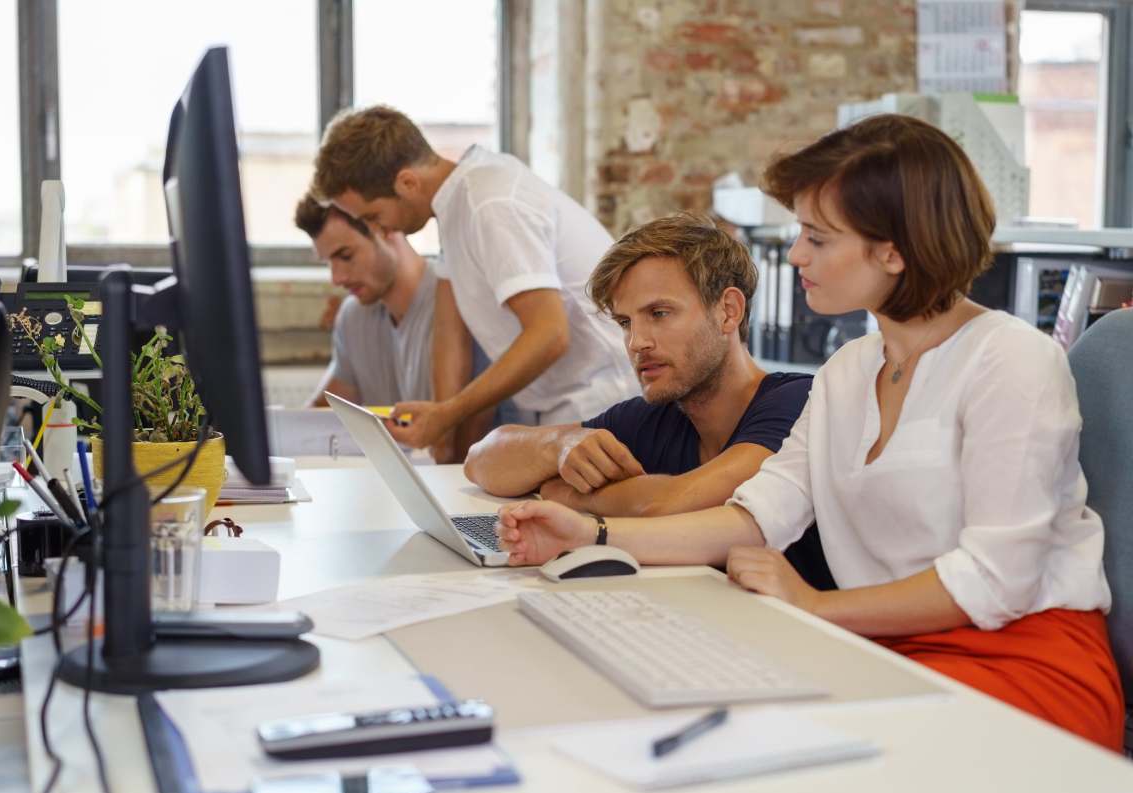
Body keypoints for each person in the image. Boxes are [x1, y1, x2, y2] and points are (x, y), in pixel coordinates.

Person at [493, 114, 1124, 751]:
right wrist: (593, 534)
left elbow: (994, 578)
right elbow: (753, 517)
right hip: (878, 648)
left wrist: (818, 609)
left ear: (894, 250)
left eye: (817, 238)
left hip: (1019, 665)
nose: (795, 255)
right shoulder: (848, 371)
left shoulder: (1010, 360)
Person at [310, 106, 639, 453]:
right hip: (564, 403)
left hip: (603, 398)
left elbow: (550, 334)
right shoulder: (454, 205)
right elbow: (451, 334)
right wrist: (442, 436)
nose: (378, 229)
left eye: (373, 216)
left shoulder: (489, 202)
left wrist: (448, 413)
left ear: (407, 182)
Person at [293, 194, 489, 460]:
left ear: (385, 229)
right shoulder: (353, 316)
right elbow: (321, 411)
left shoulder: (455, 304)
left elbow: (464, 444)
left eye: (346, 256)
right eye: (329, 262)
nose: (336, 278)